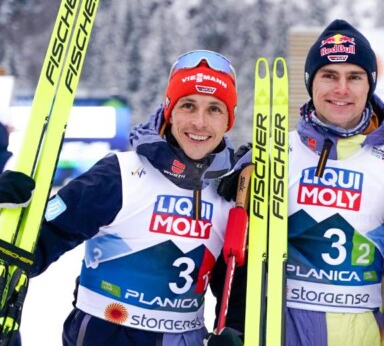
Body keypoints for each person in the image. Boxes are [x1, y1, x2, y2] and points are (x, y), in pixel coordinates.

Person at [222, 19, 384, 345]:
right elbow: (233, 263)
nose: (342, 89)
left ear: (370, 85)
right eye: (329, 75)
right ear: (311, 83)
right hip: (281, 334)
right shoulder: (274, 156)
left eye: (354, 77)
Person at [30, 50, 246, 345]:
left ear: (228, 121)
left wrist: (235, 332)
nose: (199, 122)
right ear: (169, 111)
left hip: (184, 338)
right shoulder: (120, 173)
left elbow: (235, 284)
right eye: (188, 105)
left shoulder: (231, 189)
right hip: (107, 332)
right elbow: (42, 237)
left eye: (214, 109)